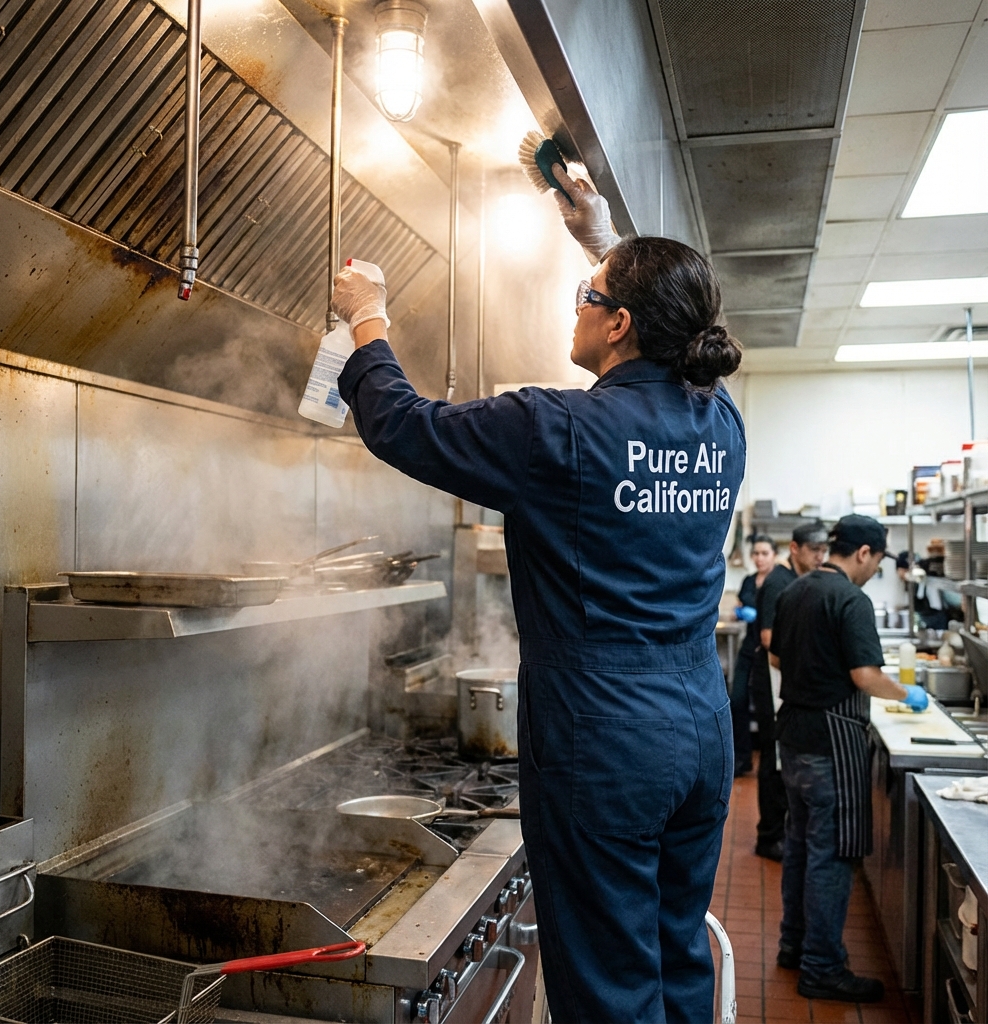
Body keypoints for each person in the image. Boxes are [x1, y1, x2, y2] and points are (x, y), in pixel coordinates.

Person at [330, 166, 746, 1022]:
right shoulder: (721, 421)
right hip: (700, 725)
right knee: (675, 959)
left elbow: (404, 426)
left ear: (619, 323)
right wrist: (600, 239)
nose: (575, 306)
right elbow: (681, 330)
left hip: (604, 736)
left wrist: (365, 315)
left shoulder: (557, 428)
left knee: (608, 989)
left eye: (586, 294)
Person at [769, 515, 928, 1002]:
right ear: (864, 553)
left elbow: (775, 657)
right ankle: (822, 968)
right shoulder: (850, 600)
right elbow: (864, 676)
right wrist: (906, 693)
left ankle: (793, 947)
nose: (873, 572)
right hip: (830, 745)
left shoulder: (795, 590)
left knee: (799, 848)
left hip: (792, 740)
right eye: (877, 563)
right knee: (831, 856)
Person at [750, 521, 828, 860]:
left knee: (781, 759)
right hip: (771, 679)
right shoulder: (778, 582)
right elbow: (768, 638)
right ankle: (768, 837)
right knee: (771, 757)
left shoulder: (799, 579)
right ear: (795, 548)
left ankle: (779, 830)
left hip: (786, 680)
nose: (819, 557)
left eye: (823, 551)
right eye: (814, 551)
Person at [729, 535, 777, 775]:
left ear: (774, 555)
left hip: (769, 650)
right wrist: (739, 612)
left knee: (765, 706)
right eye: (756, 553)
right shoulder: (748, 581)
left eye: (764, 553)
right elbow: (740, 602)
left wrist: (758, 615)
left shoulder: (779, 581)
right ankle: (742, 757)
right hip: (749, 647)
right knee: (736, 700)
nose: (759, 558)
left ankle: (771, 761)